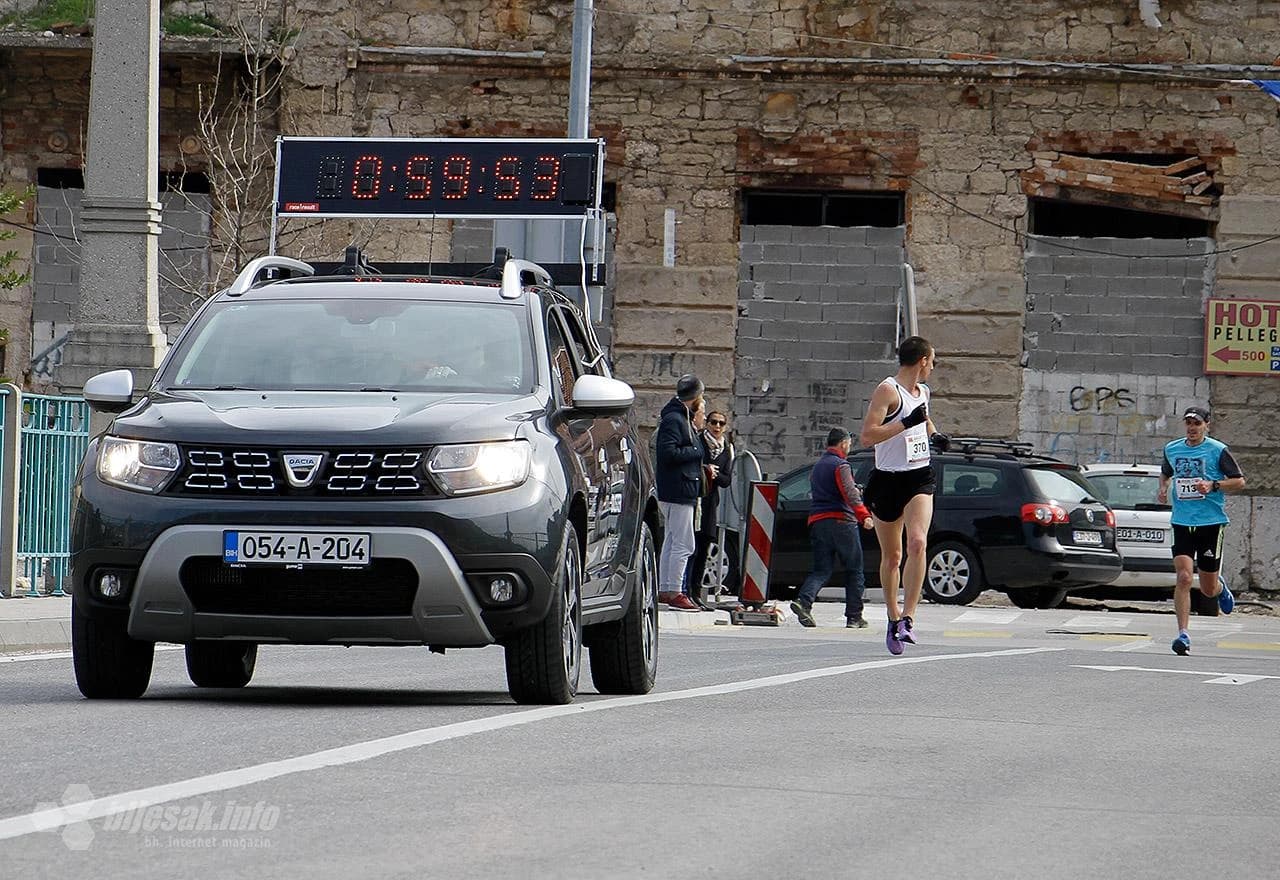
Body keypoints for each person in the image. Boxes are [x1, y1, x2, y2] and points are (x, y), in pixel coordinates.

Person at [859, 336, 948, 655]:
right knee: (893, 556)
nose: (933, 367)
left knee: (918, 542)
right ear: (923, 360)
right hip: (887, 479)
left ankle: (909, 617)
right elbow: (867, 436)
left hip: (919, 476)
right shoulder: (888, 390)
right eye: (932, 361)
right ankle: (893, 616)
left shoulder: (923, 391)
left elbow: (923, 418)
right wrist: (904, 423)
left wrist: (935, 435)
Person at [1157, 406, 1244, 656]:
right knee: (1184, 577)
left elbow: (1239, 481)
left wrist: (1213, 485)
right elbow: (1165, 473)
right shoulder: (1172, 449)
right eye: (1188, 423)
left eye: (1197, 423)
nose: (1192, 428)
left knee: (1207, 589)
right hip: (1181, 522)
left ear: (1207, 425)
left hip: (1211, 523)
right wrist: (1163, 488)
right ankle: (1183, 635)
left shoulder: (1217, 450)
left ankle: (1220, 587)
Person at [790, 427, 875, 629]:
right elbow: (849, 493)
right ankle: (854, 616)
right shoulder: (841, 465)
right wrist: (864, 515)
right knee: (854, 570)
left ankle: (803, 602)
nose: (849, 447)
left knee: (821, 570)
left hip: (818, 522)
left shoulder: (818, 466)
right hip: (842, 521)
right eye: (849, 444)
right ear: (843, 443)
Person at [654, 374, 714, 612]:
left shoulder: (680, 419)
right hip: (679, 490)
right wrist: (697, 450)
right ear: (695, 398)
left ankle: (666, 588)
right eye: (702, 396)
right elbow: (667, 453)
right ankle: (675, 591)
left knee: (672, 541)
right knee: (684, 543)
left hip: (680, 488)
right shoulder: (675, 420)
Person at [686, 408, 734, 609]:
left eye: (721, 423)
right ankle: (684, 589)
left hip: (710, 502)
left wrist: (715, 475)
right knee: (689, 546)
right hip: (693, 499)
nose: (717, 426)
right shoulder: (698, 442)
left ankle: (696, 592)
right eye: (713, 422)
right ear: (707, 424)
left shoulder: (726, 449)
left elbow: (727, 480)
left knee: (704, 545)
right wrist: (705, 469)